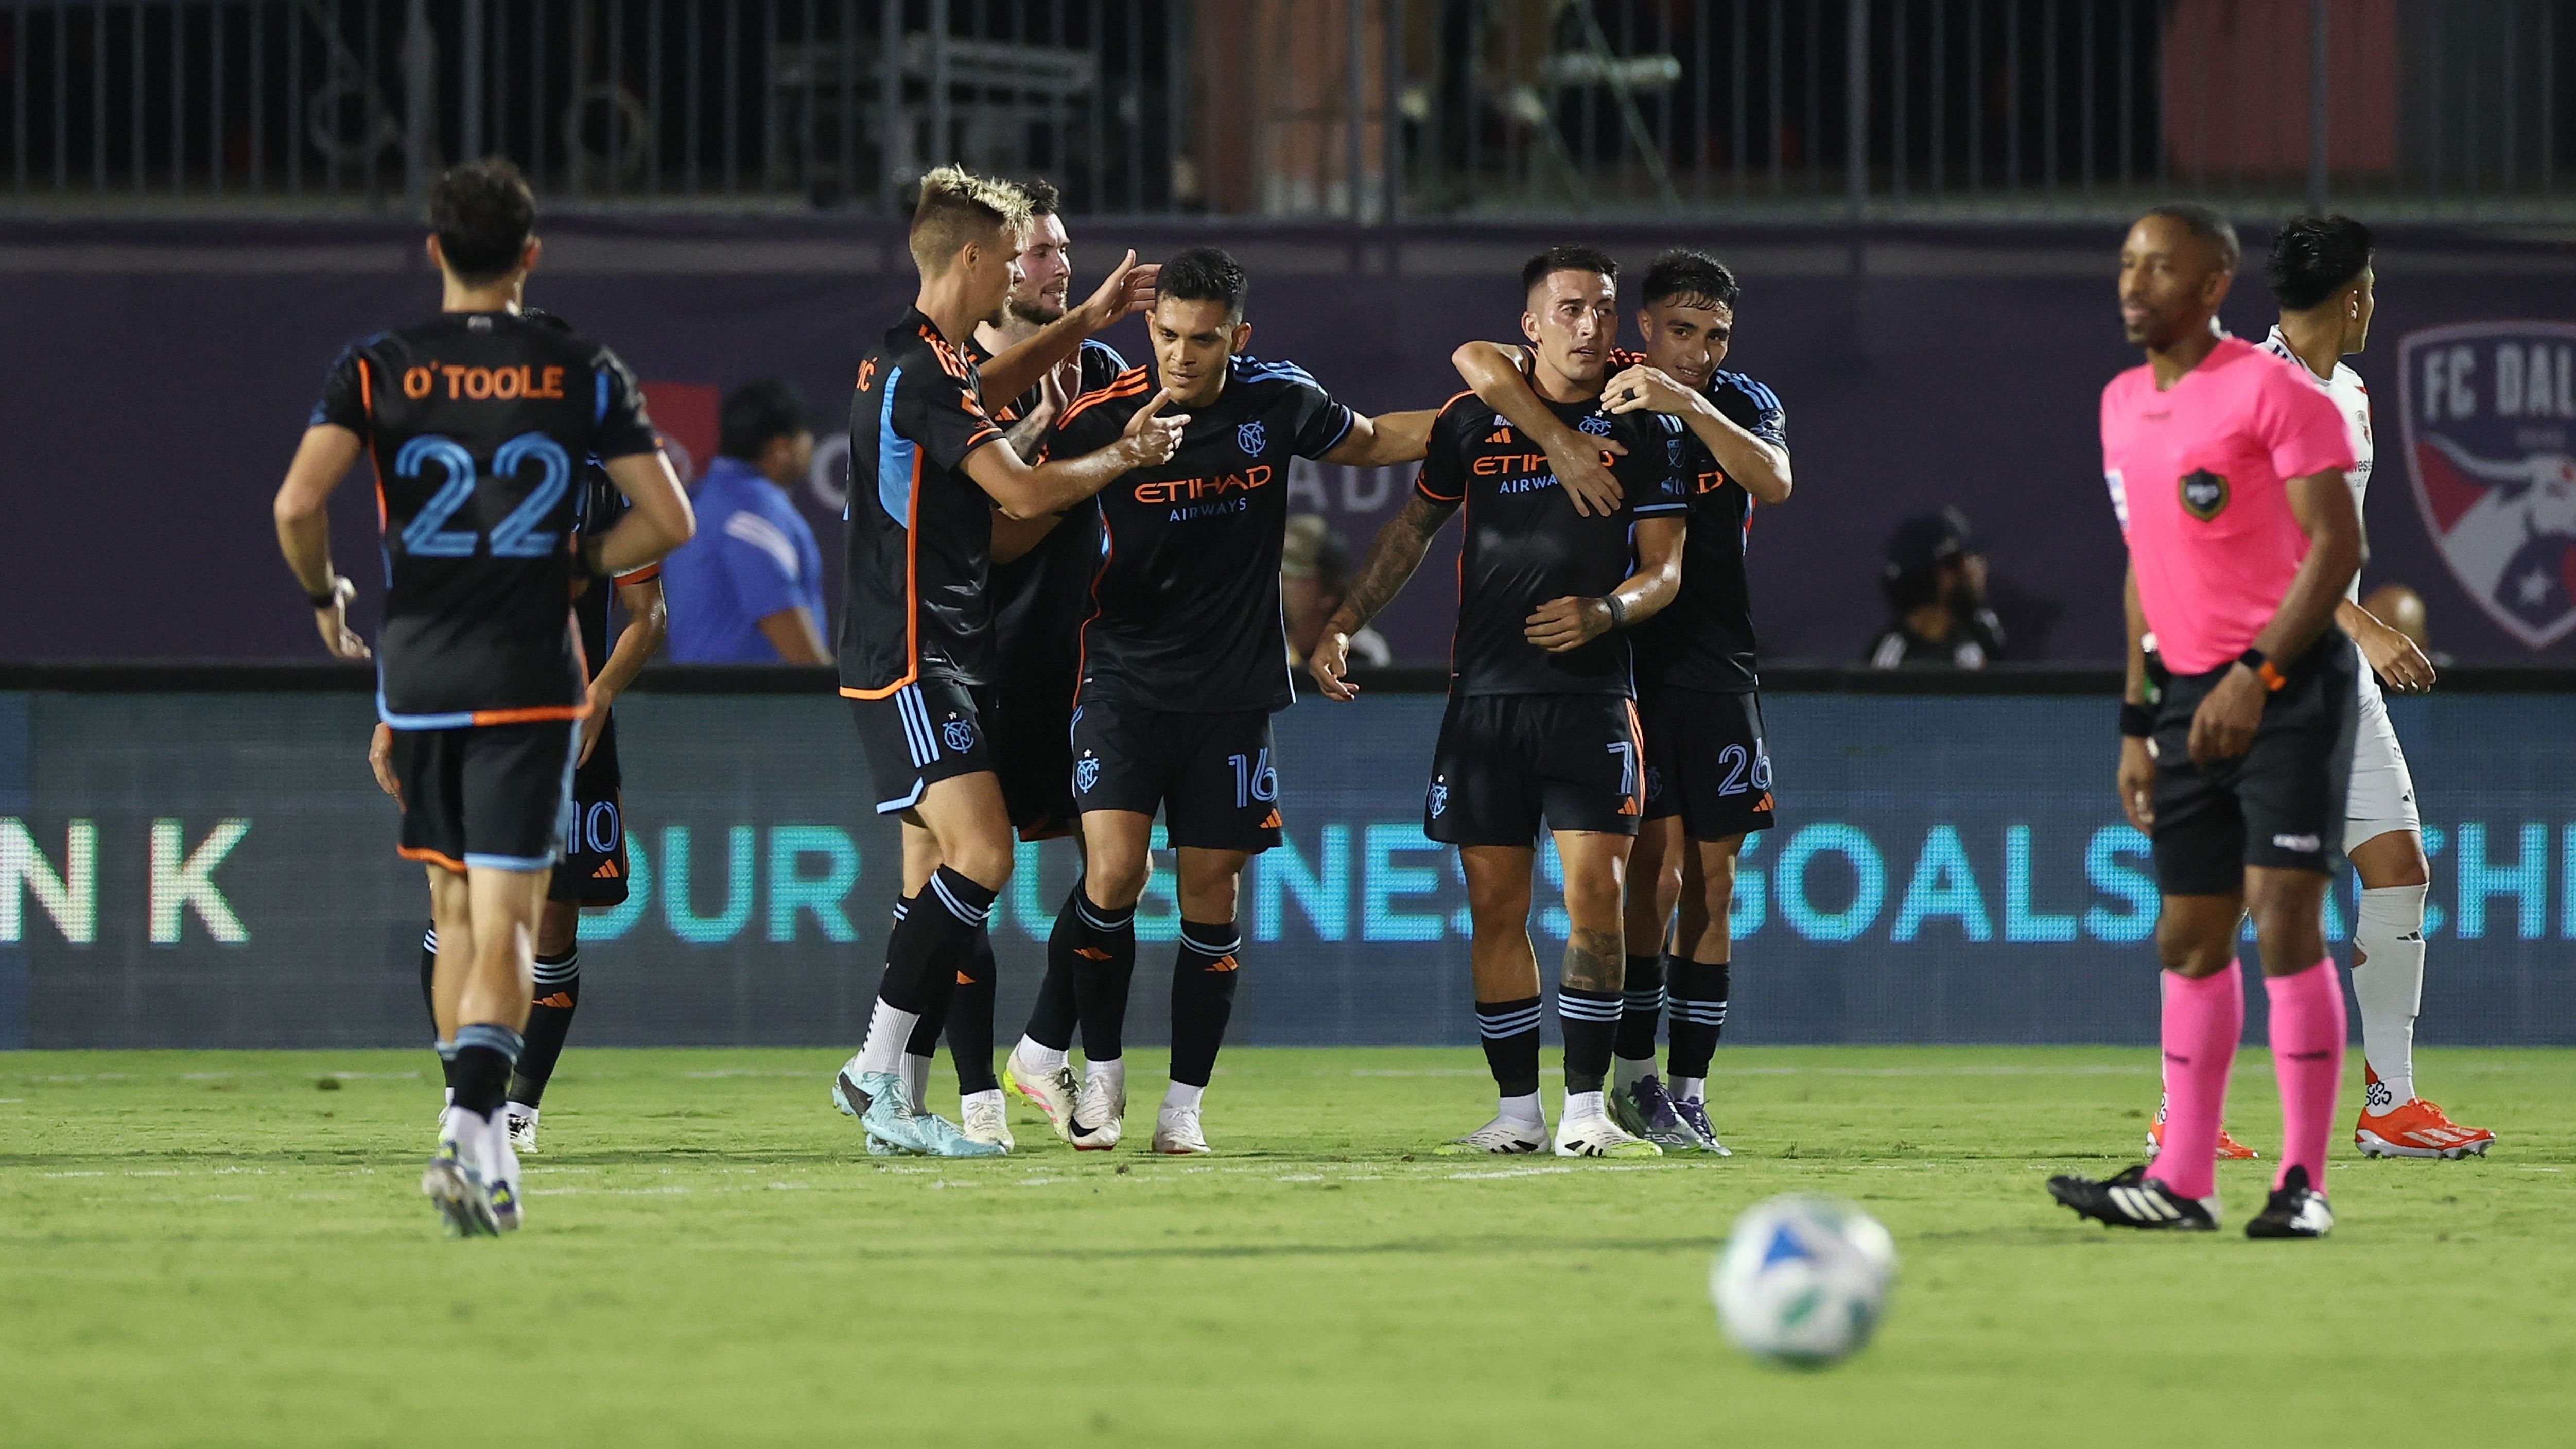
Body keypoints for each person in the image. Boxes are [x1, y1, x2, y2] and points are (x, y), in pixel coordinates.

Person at [273, 159, 694, 1235]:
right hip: (524, 669)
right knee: (515, 916)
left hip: (417, 669)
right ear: (530, 256)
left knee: (452, 911)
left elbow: (297, 503)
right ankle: (475, 1128)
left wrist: (328, 602)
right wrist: (575, 565)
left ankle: (475, 1134)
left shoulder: (381, 367)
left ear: (434, 252)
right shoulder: (577, 367)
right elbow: (669, 522)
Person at [994, 246, 1436, 1155]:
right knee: (1113, 874)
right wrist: (1096, 457)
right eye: (1165, 337)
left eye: (1202, 340)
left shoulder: (1277, 402)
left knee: (1211, 900)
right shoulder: (1101, 418)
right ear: (1148, 331)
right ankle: (1099, 1075)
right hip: (1119, 680)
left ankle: (1181, 1107)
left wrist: (1503, 410)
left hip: (1231, 694)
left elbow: (1379, 439)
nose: (1181, 357)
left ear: (1239, 337)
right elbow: (1008, 533)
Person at [827, 164, 1179, 1159]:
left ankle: (887, 1082)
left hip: (922, 650)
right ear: (974, 259)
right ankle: (878, 1071)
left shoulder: (904, 357)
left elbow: (991, 387)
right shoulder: (927, 372)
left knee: (951, 859)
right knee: (979, 855)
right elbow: (1019, 497)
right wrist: (1124, 454)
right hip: (909, 654)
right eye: (1013, 259)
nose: (1020, 282)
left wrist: (1089, 317)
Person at [1312, 245, 1690, 1158]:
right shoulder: (1477, 419)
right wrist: (1339, 620)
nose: (1589, 325)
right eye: (1568, 309)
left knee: (1594, 898)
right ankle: (1516, 1114)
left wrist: (1604, 610)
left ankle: (1582, 1110)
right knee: (1494, 907)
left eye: (1602, 308)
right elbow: (1411, 529)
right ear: (1531, 326)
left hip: (1590, 696)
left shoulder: (1641, 421)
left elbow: (1665, 571)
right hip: (1483, 700)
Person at [2141, 216, 2491, 1161]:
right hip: (2258, 674)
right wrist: (2365, 626)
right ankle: (2183, 1114)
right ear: (2350, 296)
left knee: (2398, 871)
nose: (2374, 300)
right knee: (2250, 898)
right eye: (2370, 286)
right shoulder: (2251, 393)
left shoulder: (2349, 391)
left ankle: (2390, 1103)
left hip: (2337, 678)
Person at [2046, 204, 2361, 1239]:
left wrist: (2257, 675)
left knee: (2282, 918)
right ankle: (2182, 1182)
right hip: (2184, 697)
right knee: (2188, 938)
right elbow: (2150, 564)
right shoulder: (2117, 402)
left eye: (2161, 266)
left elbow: (2336, 549)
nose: (2135, 284)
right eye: (2127, 263)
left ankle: (2302, 1184)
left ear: (2217, 281)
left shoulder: (2276, 394)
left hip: (2289, 685)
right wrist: (2139, 717)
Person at [1448, 248, 1790, 1155]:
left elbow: (1773, 481)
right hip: (1623, 662)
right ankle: (1630, 1076)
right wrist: (1561, 437)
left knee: (1712, 884)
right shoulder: (1608, 385)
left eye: (1715, 335)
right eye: (1680, 332)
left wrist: (1691, 403)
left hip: (1714, 662)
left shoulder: (1734, 403)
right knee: (1647, 879)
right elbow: (1476, 361)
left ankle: (1687, 1088)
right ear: (1643, 327)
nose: (1698, 351)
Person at [370, 308, 672, 1156]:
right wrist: (393, 713)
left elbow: (649, 613)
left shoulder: (602, 479)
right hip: (461, 710)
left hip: (566, 720)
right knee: (458, 907)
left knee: (553, 924)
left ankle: (520, 1108)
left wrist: (603, 692)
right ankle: (467, 1099)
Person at [890, 177, 1132, 1150]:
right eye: (1040, 253)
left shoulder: (1107, 368)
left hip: (1080, 662)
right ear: (986, 264)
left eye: (1065, 251)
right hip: (966, 655)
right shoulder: (947, 378)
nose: (1059, 266)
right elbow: (991, 529)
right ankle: (963, 1089)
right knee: (943, 869)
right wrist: (1040, 446)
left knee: (1111, 867)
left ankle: (1047, 1049)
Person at [660, 380, 826, 664]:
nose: (811, 444)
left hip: (711, 701)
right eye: (805, 435)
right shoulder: (751, 513)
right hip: (752, 705)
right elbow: (783, 618)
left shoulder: (708, 499)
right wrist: (831, 703)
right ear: (781, 448)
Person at [1866, 508, 2007, 669]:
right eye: (1960, 563)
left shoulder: (1985, 629)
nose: (1979, 569)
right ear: (1936, 576)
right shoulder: (1891, 660)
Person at [1281, 515, 1393, 668]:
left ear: (1328, 594)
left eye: (1290, 576)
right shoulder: (1258, 645)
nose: (1279, 585)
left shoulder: (1363, 653)